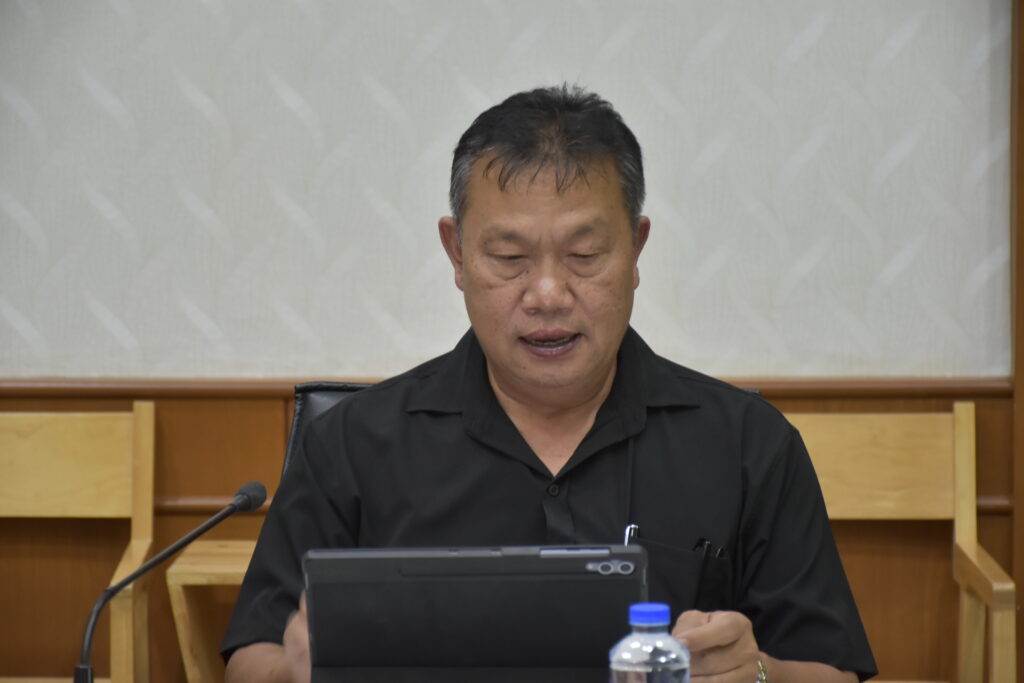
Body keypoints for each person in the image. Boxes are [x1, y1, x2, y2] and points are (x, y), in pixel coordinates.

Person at [222, 85, 877, 683]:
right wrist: (298, 673)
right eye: (509, 257)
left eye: (584, 256)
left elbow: (830, 669)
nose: (548, 294)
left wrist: (757, 673)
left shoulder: (747, 444)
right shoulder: (350, 444)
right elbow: (253, 658)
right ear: (456, 253)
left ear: (637, 248)